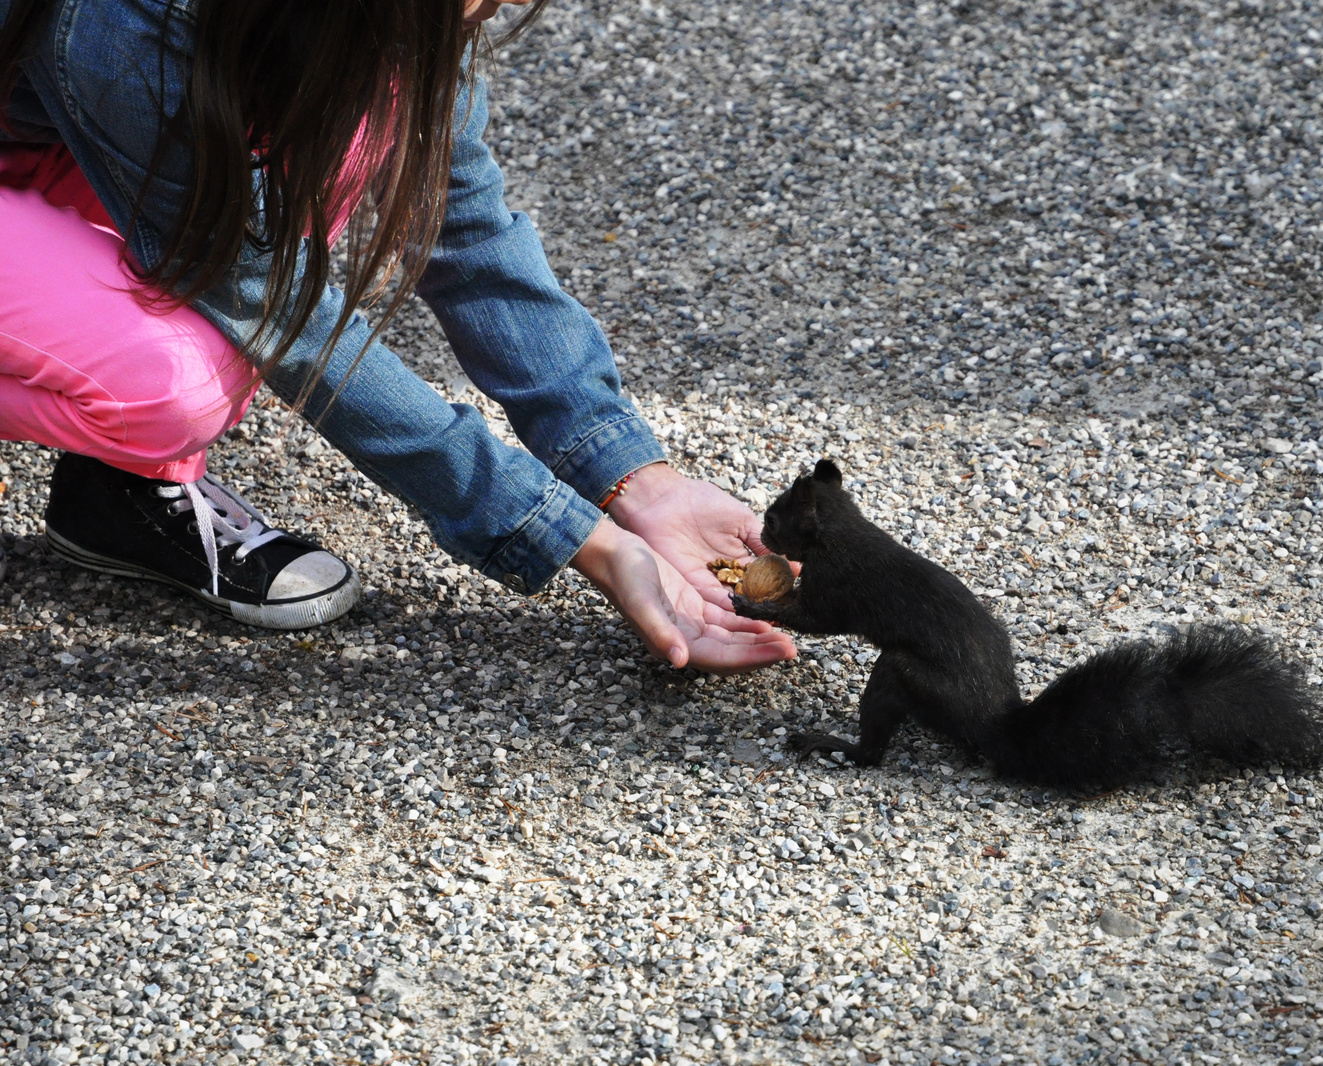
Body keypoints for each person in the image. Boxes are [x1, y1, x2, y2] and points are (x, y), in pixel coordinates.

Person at [0, 0, 796, 674]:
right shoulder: (133, 20)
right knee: (175, 382)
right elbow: (280, 311)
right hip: (101, 76)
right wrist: (569, 533)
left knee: (347, 127)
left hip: (64, 117)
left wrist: (632, 477)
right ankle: (131, 455)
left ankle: (114, 489)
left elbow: (465, 225)